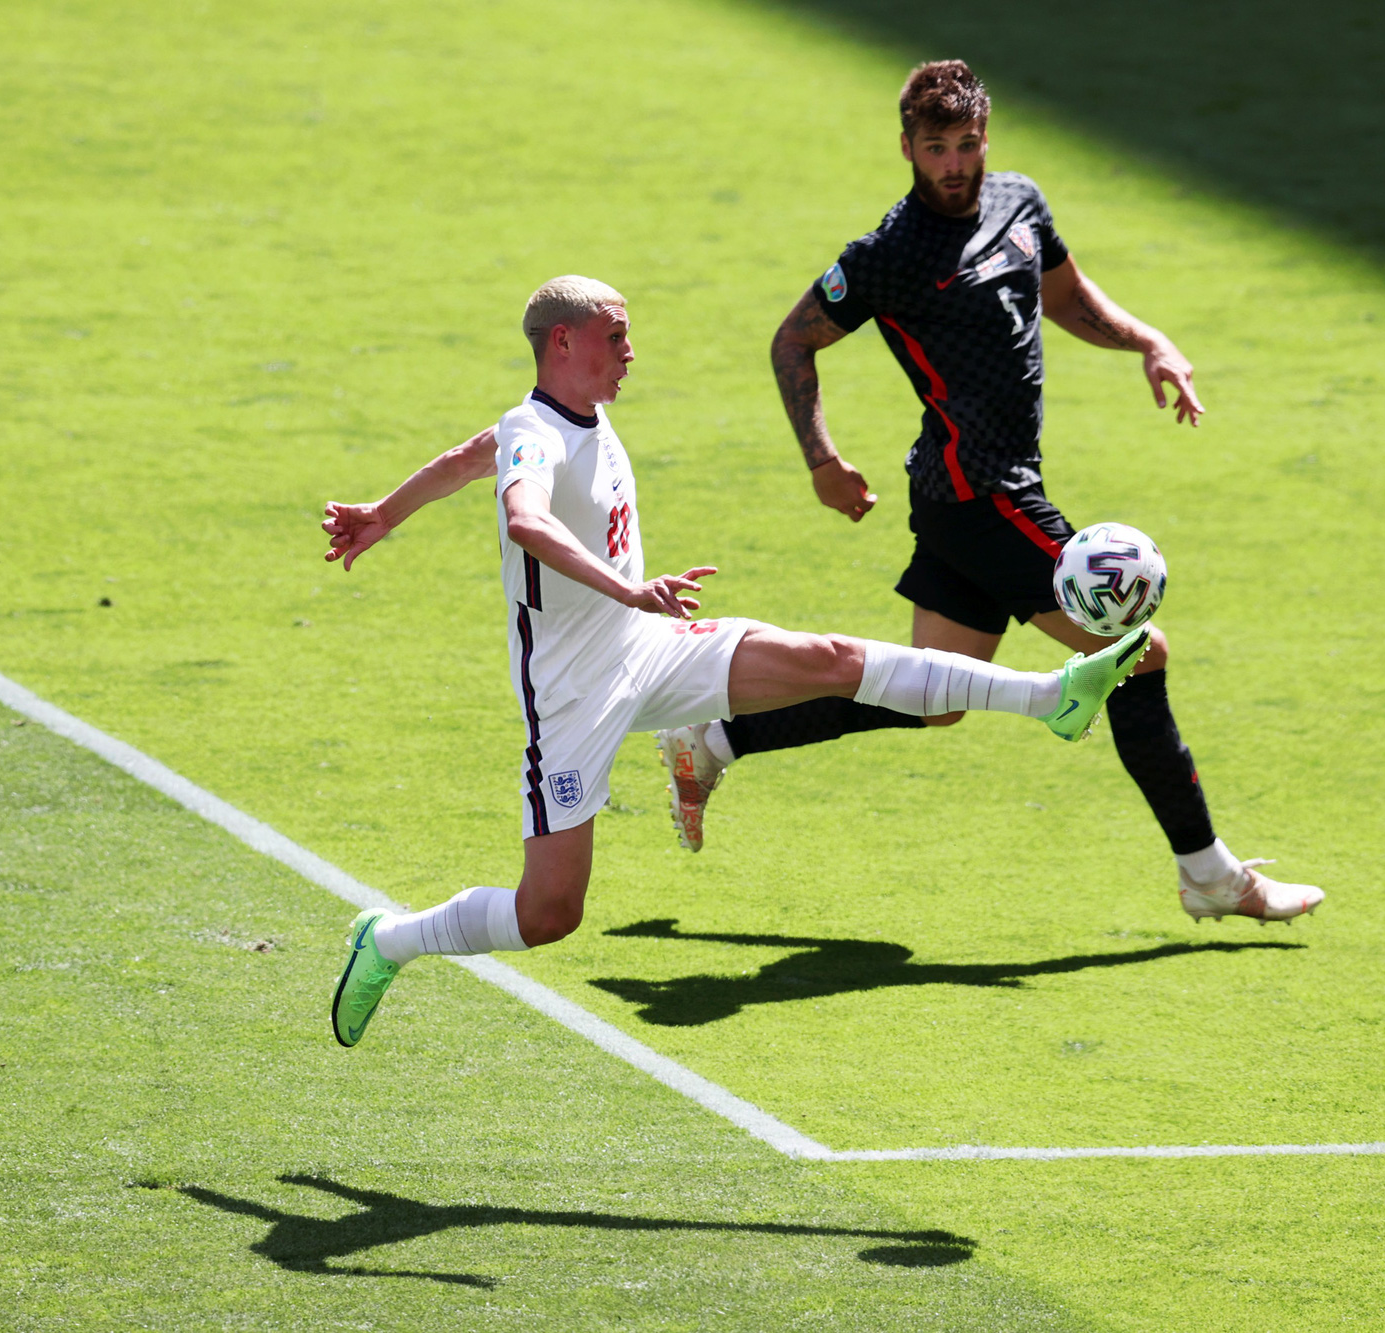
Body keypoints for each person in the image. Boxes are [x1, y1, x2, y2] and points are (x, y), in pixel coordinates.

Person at [319, 275, 1149, 1047]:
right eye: (616, 336)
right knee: (549, 914)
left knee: (827, 657)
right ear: (563, 342)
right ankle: (390, 938)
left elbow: (477, 453)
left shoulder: (545, 421)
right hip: (572, 695)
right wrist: (630, 588)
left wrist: (384, 515)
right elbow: (527, 520)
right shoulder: (536, 431)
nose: (631, 352)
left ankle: (1051, 695)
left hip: (648, 647)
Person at [655, 61, 1323, 926]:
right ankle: (1211, 874)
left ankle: (712, 739)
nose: (955, 164)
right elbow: (792, 343)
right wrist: (821, 458)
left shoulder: (1018, 202)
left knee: (936, 699)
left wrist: (1148, 342)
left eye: (967, 144)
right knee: (1138, 656)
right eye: (935, 148)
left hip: (966, 494)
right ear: (907, 148)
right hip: (982, 498)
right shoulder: (887, 258)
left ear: (985, 138)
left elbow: (1068, 301)